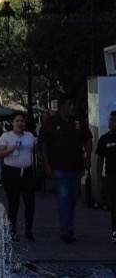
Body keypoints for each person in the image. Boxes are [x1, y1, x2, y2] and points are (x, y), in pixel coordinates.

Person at [39, 94, 93, 244]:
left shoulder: (78, 122)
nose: (72, 108)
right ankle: (66, 230)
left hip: (75, 166)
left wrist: (87, 157)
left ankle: (69, 227)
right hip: (59, 167)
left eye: (73, 105)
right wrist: (47, 164)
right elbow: (43, 143)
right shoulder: (50, 123)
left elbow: (88, 139)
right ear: (62, 106)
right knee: (64, 197)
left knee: (72, 199)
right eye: (69, 104)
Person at [0, 112, 37, 242]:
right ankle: (12, 230)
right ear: (12, 123)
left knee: (30, 201)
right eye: (17, 121)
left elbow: (36, 150)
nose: (20, 123)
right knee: (14, 202)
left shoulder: (30, 136)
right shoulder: (6, 136)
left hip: (26, 172)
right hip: (11, 172)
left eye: (22, 121)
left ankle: (28, 229)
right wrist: (9, 150)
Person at [95, 110, 116, 244]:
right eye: (109, 120)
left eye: (113, 120)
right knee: (114, 205)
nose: (111, 123)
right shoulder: (104, 139)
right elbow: (100, 159)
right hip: (111, 176)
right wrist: (100, 179)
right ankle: (115, 231)